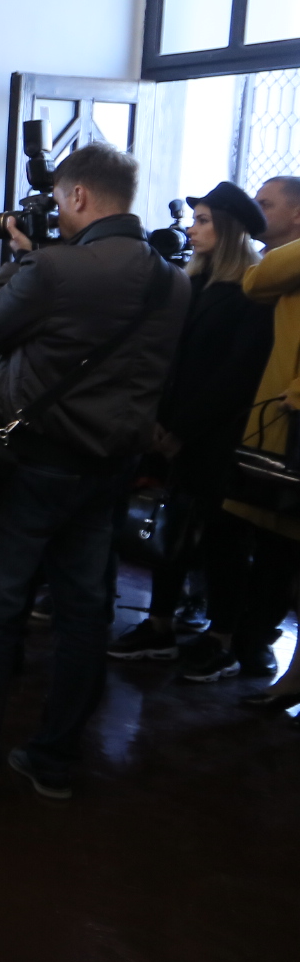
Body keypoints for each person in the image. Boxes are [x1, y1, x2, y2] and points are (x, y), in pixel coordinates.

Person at [0, 144, 189, 804]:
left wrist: (20, 260)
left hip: (31, 465)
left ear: (77, 198)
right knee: (83, 612)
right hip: (109, 471)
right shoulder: (172, 282)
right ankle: (54, 759)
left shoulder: (56, 270)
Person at [104, 184, 272, 664]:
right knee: (173, 531)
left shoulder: (251, 293)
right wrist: (160, 420)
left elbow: (235, 375)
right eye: (194, 220)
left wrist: (181, 428)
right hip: (175, 429)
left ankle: (220, 636)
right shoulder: (192, 283)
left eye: (203, 221)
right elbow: (168, 357)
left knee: (223, 538)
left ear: (230, 230)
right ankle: (159, 623)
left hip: (219, 435)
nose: (192, 229)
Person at [178, 175, 300, 686]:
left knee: (276, 544)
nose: (258, 209)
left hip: (278, 425)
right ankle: (235, 637)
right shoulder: (258, 271)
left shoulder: (268, 269)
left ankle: (252, 641)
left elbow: (256, 283)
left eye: (267, 204)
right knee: (234, 534)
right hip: (259, 426)